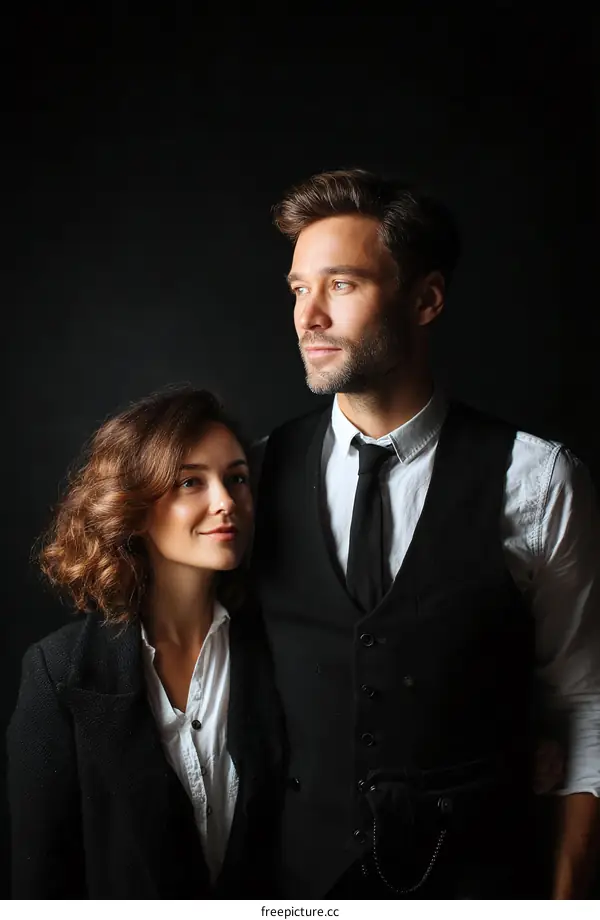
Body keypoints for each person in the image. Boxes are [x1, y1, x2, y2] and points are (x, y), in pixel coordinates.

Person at [252, 169, 600, 898]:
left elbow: (582, 701)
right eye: (297, 289)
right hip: (297, 890)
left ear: (427, 298)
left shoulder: (538, 479)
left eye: (340, 285)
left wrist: (568, 900)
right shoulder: (254, 474)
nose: (308, 316)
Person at [7, 387, 284, 899]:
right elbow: (39, 883)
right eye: (190, 482)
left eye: (237, 478)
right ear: (133, 505)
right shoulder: (58, 671)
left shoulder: (280, 649)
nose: (225, 502)